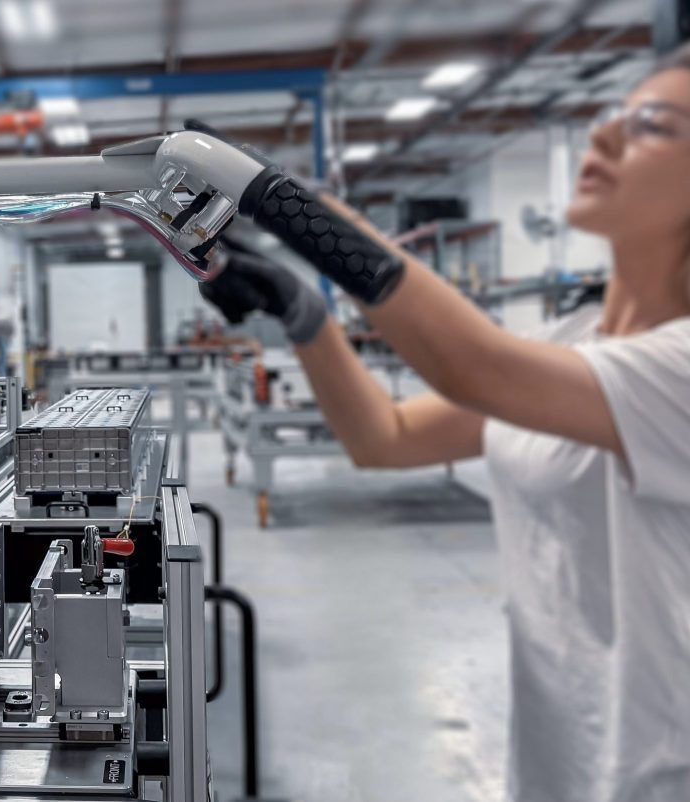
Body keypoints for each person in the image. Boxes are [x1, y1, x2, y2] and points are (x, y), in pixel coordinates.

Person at [197, 49, 690, 802]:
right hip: (561, 762)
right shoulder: (573, 342)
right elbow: (383, 437)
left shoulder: (678, 367)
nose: (604, 138)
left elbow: (475, 366)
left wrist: (283, 202)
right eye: (614, 118)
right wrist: (303, 314)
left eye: (653, 127)